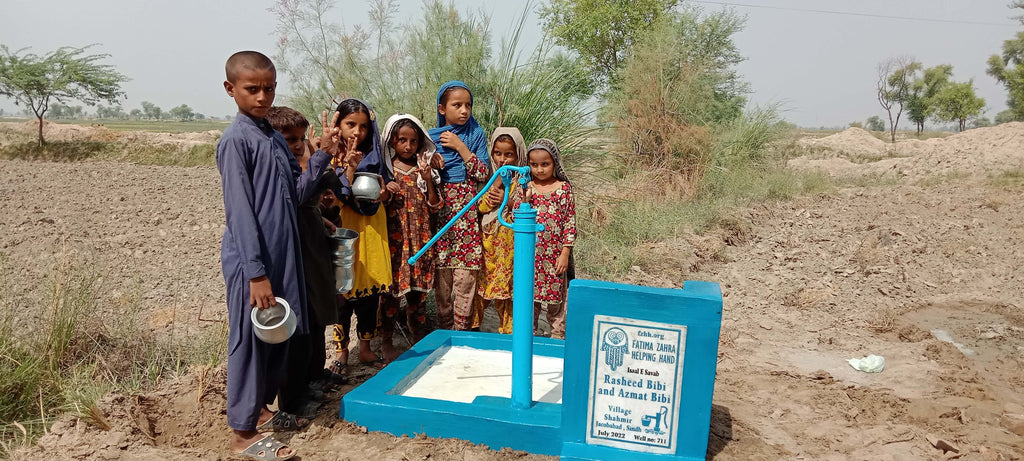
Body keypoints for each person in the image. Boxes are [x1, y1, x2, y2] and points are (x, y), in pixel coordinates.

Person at [217, 50, 343, 460]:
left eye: (269, 88)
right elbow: (240, 213)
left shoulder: (270, 136)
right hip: (256, 264)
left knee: (277, 339)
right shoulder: (236, 141)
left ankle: (260, 410)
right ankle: (242, 434)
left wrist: (321, 154)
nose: (262, 96)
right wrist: (256, 274)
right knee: (250, 342)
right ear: (230, 89)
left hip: (284, 258)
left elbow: (295, 196)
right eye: (252, 89)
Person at [264, 106, 346, 420]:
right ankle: (292, 397)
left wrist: (322, 221)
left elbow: (313, 197)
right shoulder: (276, 166)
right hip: (295, 253)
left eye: (300, 138)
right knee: (298, 328)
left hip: (311, 248)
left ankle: (311, 380)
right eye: (289, 139)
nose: (297, 144)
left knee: (314, 320)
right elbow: (297, 198)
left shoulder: (295, 163)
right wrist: (320, 155)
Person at [328, 98, 393, 372]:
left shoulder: (376, 153)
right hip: (343, 226)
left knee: (369, 294)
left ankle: (365, 349)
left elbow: (388, 181)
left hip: (372, 227)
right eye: (350, 124)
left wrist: (386, 192)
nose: (357, 132)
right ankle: (342, 352)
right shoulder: (329, 154)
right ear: (338, 124)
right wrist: (348, 169)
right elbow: (329, 193)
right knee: (342, 293)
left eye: (364, 127)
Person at [380, 113, 443, 360]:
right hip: (395, 243)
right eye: (402, 140)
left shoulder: (424, 172)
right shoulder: (386, 172)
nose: (408, 146)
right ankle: (386, 339)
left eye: (413, 141)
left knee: (417, 295)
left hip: (420, 241)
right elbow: (376, 205)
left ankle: (418, 337)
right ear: (391, 142)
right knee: (390, 296)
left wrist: (427, 179)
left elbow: (435, 206)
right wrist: (386, 191)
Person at [428, 81, 490, 331]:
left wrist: (461, 148)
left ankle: (461, 332)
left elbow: (482, 173)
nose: (464, 110)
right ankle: (444, 333)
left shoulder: (475, 135)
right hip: (440, 219)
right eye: (457, 105)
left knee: (465, 282)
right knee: (442, 286)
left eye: (468, 105)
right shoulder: (430, 139)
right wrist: (431, 163)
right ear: (442, 109)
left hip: (466, 219)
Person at [470, 128, 526, 333]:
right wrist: (497, 182)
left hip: (509, 248)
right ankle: (473, 331)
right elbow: (481, 206)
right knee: (480, 290)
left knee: (507, 292)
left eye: (509, 154)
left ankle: (508, 334)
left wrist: (507, 201)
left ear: (518, 154)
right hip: (487, 245)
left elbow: (525, 210)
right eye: (498, 153)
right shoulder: (487, 178)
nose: (503, 160)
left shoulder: (523, 181)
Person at [522, 138, 576, 340]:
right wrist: (524, 200)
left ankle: (557, 337)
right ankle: (529, 339)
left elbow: (569, 222)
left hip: (554, 256)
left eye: (545, 164)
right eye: (534, 165)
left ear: (554, 163)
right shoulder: (528, 188)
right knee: (530, 299)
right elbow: (518, 217)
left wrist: (565, 253)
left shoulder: (563, 189)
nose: (540, 169)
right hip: (531, 257)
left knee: (556, 301)